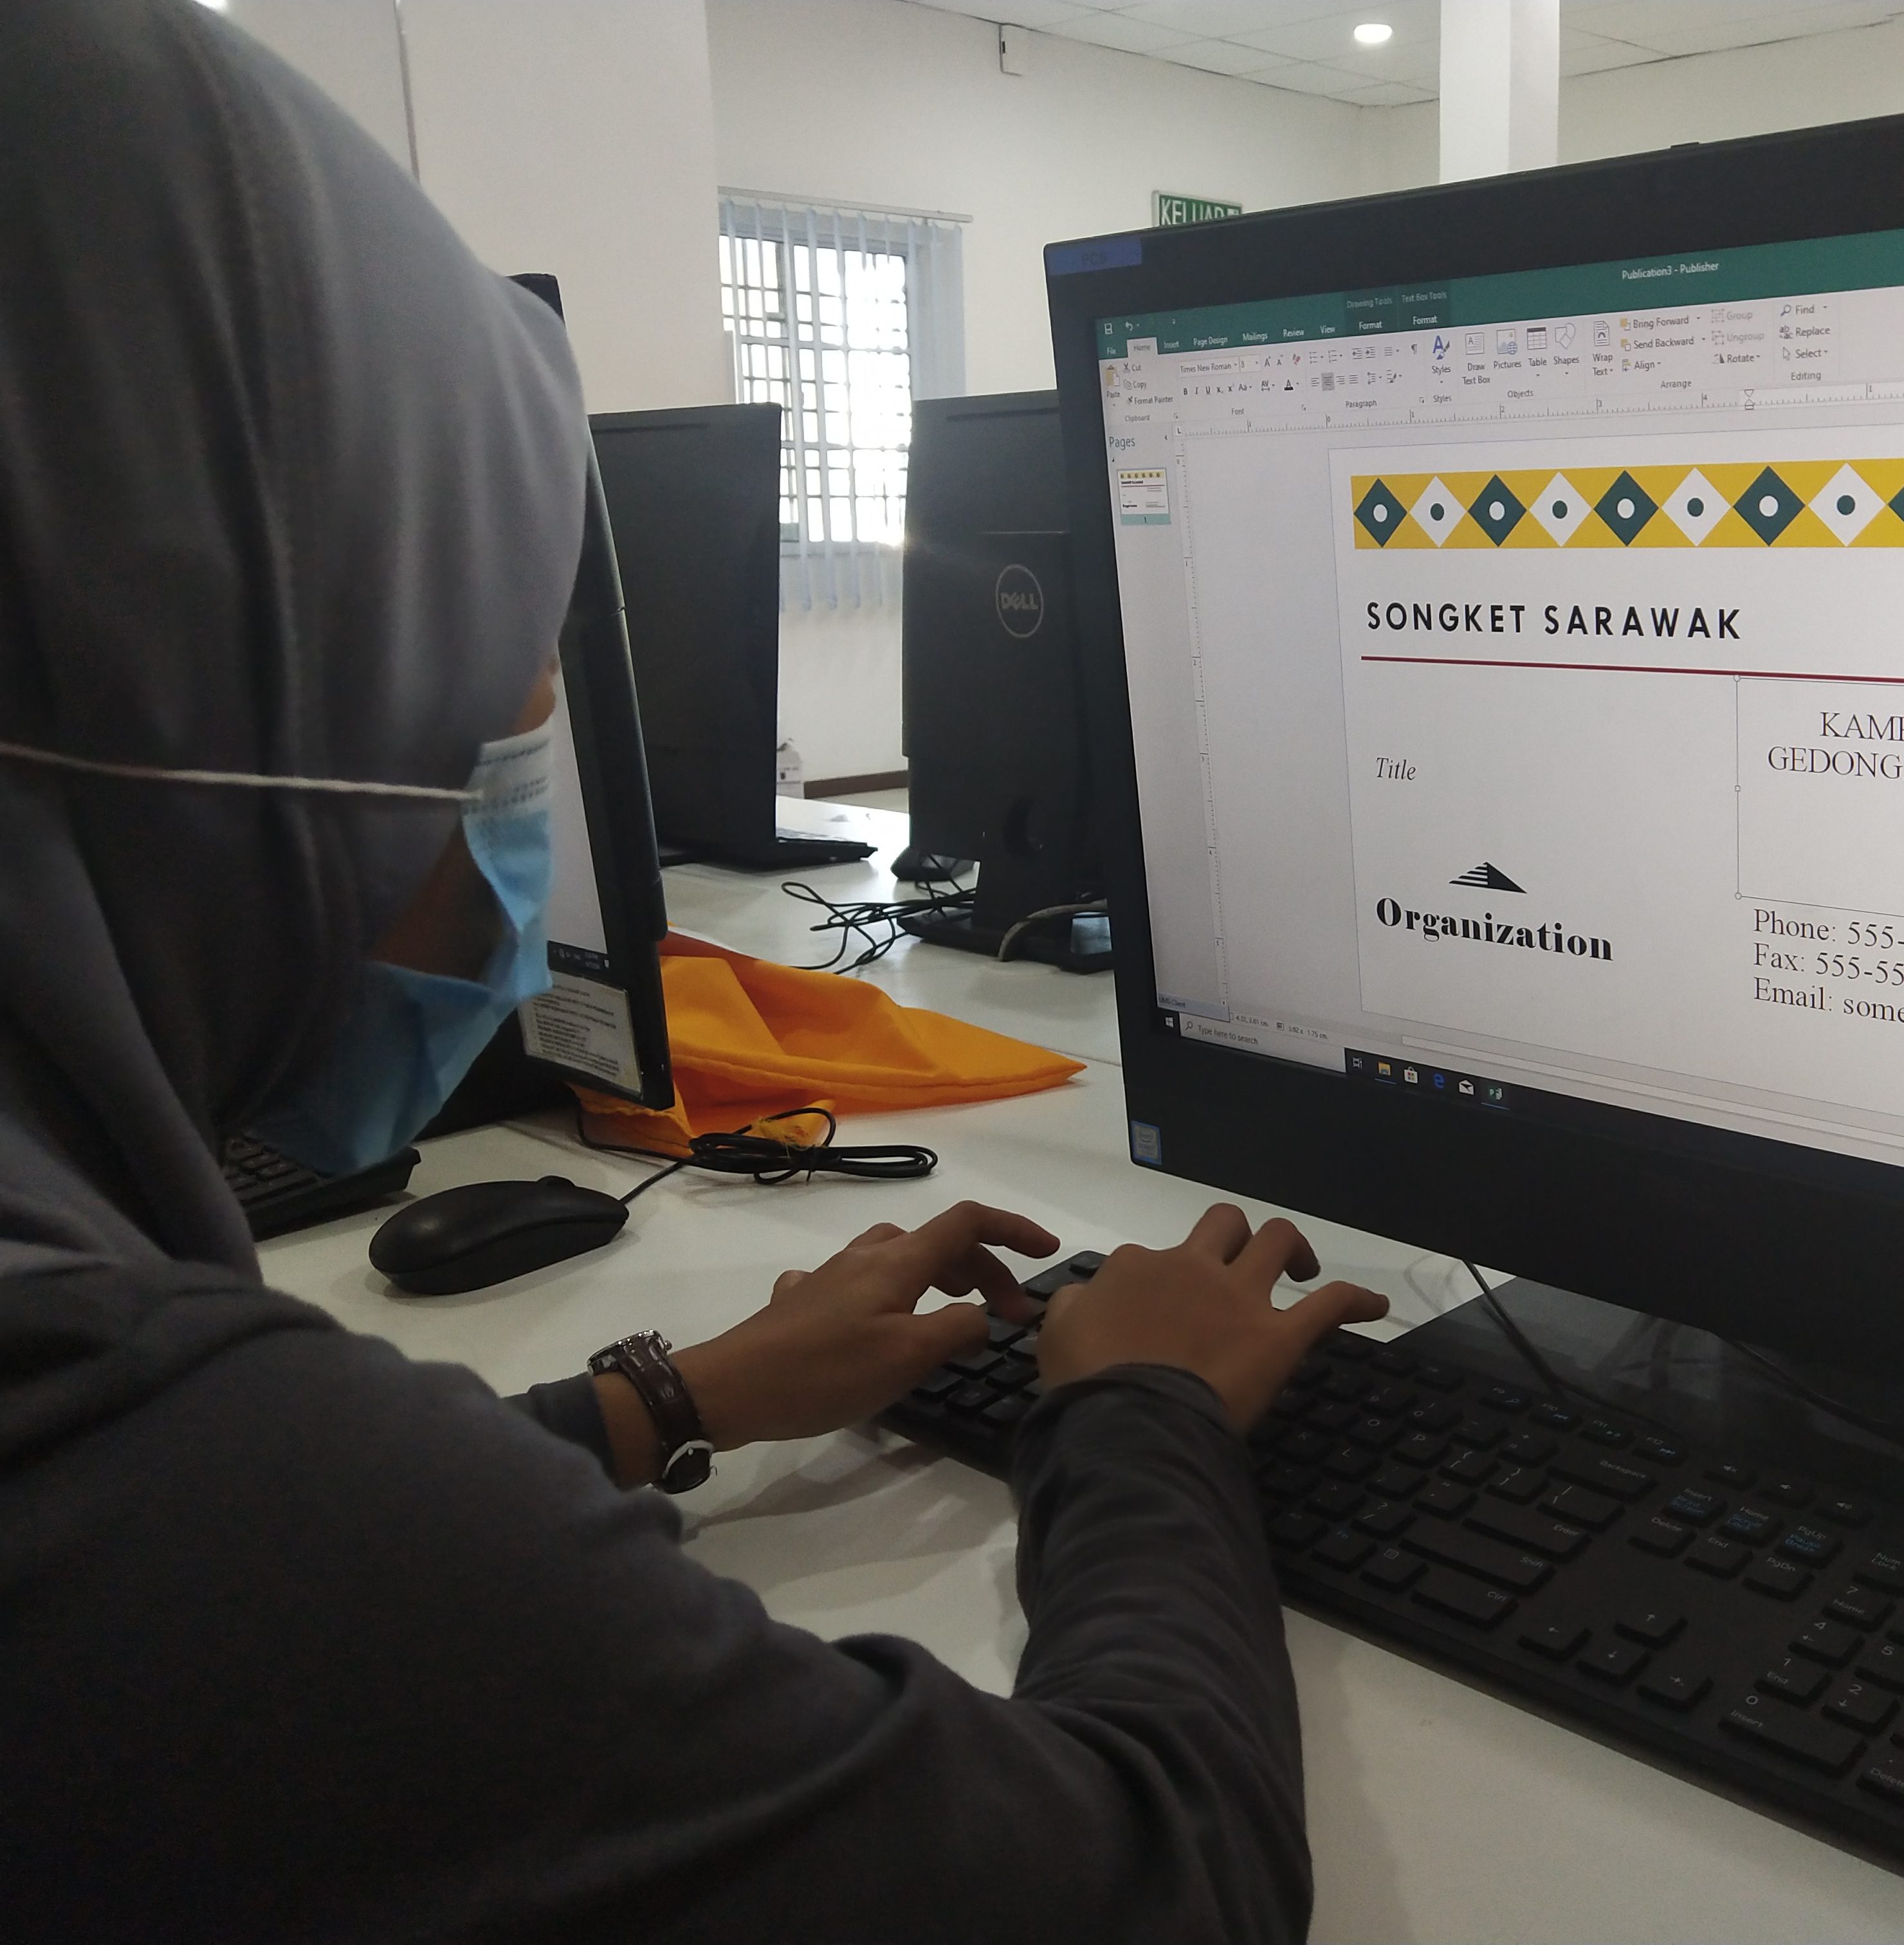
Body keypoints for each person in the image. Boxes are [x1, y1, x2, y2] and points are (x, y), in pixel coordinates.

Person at [0, 2, 1386, 1938]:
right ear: (246, 713)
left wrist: (664, 1395)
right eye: (501, 672)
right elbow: (1148, 1885)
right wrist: (1139, 1416)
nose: (533, 766)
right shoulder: (140, 1467)